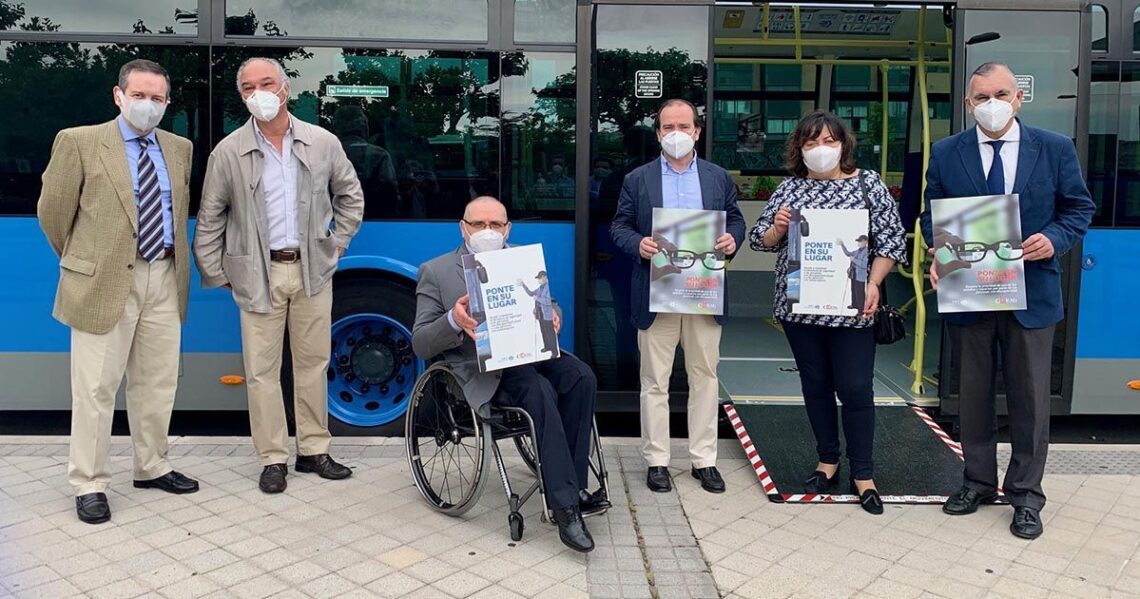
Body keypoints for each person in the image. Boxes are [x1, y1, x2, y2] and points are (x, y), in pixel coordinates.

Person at [921, 62, 1094, 539]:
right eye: (981, 97)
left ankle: (1025, 496)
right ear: (968, 104)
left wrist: (1053, 239)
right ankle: (976, 482)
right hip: (971, 293)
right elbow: (929, 216)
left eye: (1001, 94)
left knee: (1030, 399)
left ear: (1018, 97)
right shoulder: (947, 152)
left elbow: (1078, 208)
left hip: (1031, 294)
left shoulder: (1054, 148)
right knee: (971, 396)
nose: (992, 104)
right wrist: (937, 250)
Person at [37, 59, 200, 524]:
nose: (148, 105)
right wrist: (86, 261)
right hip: (105, 281)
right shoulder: (80, 142)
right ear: (118, 95)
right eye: (140, 95)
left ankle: (151, 465)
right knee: (95, 387)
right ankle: (89, 482)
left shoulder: (179, 147)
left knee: (157, 382)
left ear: (167, 103)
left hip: (164, 276)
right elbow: (53, 214)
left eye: (158, 99)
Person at [193, 57, 365, 494]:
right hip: (258, 273)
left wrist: (337, 244)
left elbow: (350, 196)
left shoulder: (322, 142)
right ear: (242, 96)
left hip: (311, 272)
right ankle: (272, 458)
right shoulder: (228, 151)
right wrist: (217, 272)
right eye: (249, 87)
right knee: (261, 372)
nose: (259, 93)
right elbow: (210, 216)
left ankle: (314, 450)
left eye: (266, 83)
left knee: (312, 364)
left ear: (285, 88)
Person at [412, 196, 608, 553]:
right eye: (478, 224)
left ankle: (574, 482)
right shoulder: (436, 271)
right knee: (538, 389)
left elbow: (550, 304)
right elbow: (421, 342)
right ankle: (565, 507)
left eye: (496, 225)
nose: (487, 231)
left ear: (508, 229)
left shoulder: (523, 261)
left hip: (529, 353)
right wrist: (455, 320)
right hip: (480, 370)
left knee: (580, 376)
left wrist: (554, 315)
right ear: (463, 228)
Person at [751, 111, 907, 515]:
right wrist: (778, 229)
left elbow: (891, 241)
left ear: (843, 144)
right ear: (799, 150)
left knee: (855, 387)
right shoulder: (789, 189)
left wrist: (872, 282)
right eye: (810, 143)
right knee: (815, 385)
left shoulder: (868, 184)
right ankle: (827, 459)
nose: (820, 150)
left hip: (852, 306)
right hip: (799, 308)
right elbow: (759, 241)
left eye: (828, 141)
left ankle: (864, 473)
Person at [610, 98, 746, 495]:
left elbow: (735, 218)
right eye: (667, 127)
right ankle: (657, 461)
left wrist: (732, 238)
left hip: (704, 292)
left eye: (683, 127)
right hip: (658, 293)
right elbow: (618, 226)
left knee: (705, 377)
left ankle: (704, 460)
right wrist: (639, 244)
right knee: (655, 380)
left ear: (697, 132)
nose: (676, 134)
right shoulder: (638, 179)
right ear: (657, 134)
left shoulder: (718, 177)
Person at [518, 271, 557, 355]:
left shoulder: (549, 288)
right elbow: (531, 293)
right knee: (543, 331)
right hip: (540, 314)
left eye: (539, 278)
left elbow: (548, 301)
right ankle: (547, 346)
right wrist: (523, 285)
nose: (538, 280)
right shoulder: (540, 288)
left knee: (550, 333)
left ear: (544, 277)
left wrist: (537, 299)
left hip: (548, 315)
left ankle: (554, 351)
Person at [838, 235, 871, 310]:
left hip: (860, 275)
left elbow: (864, 265)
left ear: (865, 242)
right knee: (853, 289)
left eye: (860, 241)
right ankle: (854, 304)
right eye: (858, 241)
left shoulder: (867, 252)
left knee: (860, 291)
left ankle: (861, 309)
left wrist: (854, 260)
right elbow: (848, 253)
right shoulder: (857, 251)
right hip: (854, 274)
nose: (858, 243)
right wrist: (842, 245)